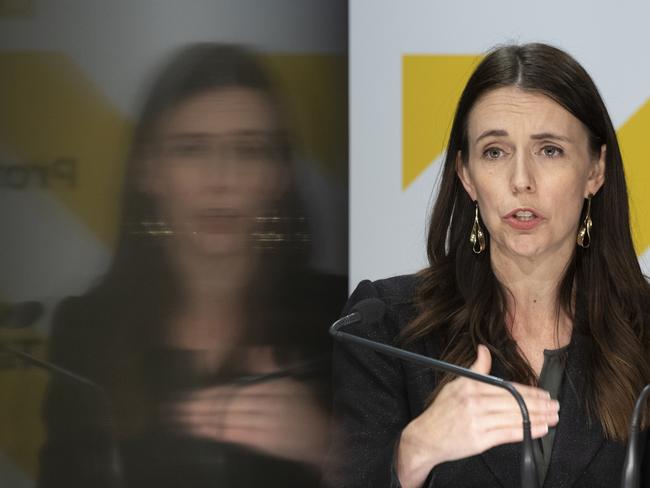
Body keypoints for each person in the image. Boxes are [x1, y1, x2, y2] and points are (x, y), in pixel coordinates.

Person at [324, 43, 650, 488]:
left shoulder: (644, 330)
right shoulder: (384, 327)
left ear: (595, 170)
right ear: (467, 175)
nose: (521, 181)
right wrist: (413, 451)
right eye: (495, 152)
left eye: (549, 150)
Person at [37, 43, 347, 488]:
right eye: (192, 150)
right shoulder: (87, 329)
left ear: (279, 175)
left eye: (248, 151)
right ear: (148, 170)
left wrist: (331, 452)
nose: (220, 179)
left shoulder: (343, 320)